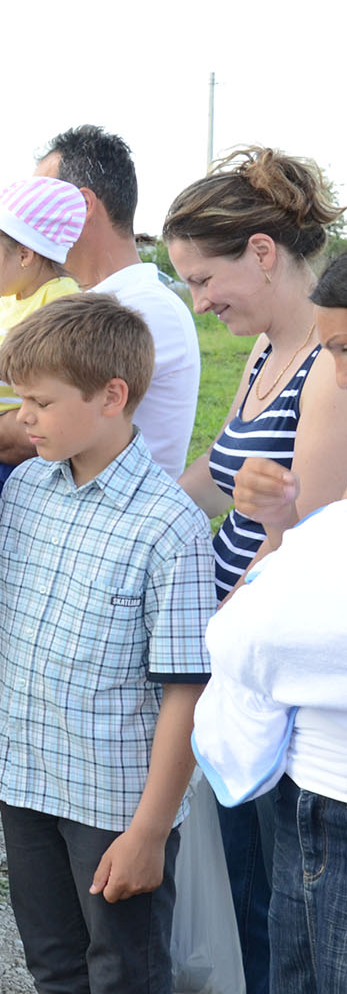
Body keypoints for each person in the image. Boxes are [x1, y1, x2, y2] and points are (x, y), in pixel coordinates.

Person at [0, 293, 215, 994]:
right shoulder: (24, 490)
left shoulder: (168, 528)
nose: (24, 418)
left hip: (112, 806)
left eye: (40, 403)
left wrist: (147, 832)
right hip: (25, 780)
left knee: (122, 972)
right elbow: (12, 639)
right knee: (51, 962)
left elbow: (184, 691)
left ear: (111, 395)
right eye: (20, 400)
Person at [163, 148, 347, 993]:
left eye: (205, 279)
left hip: (264, 667)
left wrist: (222, 636)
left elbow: (303, 531)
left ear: (263, 253)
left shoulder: (328, 361)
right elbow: (217, 478)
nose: (199, 302)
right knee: (253, 902)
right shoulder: (265, 348)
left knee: (278, 909)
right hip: (236, 647)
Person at [0, 179, 86, 711]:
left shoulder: (61, 299)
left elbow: (26, 366)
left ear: (27, 253)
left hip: (22, 468)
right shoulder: (12, 299)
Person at [20, 125, 200, 478]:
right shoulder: (102, 300)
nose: (28, 219)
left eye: (40, 202)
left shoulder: (142, 310)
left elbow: (27, 434)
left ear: (83, 205)